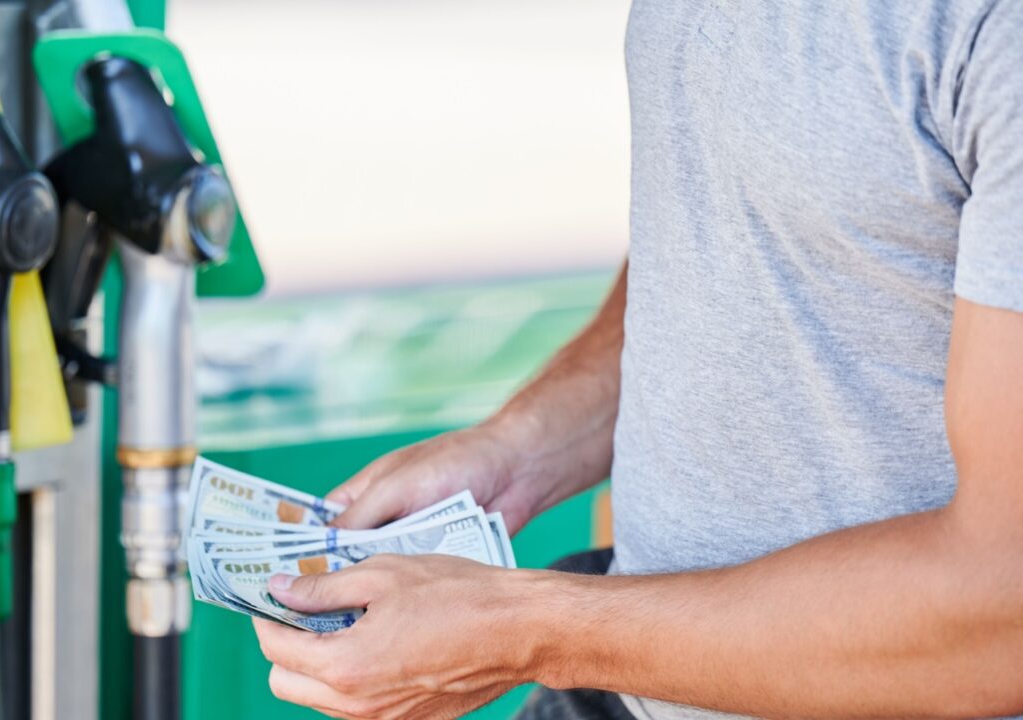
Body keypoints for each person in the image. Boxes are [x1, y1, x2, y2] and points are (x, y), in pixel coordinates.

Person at [250, 1, 1023, 718]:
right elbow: (742, 216)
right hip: (620, 680)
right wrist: (519, 449)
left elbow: (1003, 601)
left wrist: (529, 629)